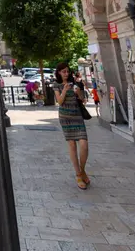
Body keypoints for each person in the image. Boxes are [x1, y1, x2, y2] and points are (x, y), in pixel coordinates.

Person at [54, 62, 90, 190]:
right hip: (65, 117)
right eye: (63, 71)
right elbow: (59, 101)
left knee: (84, 144)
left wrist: (79, 92)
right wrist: (64, 90)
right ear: (58, 72)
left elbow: (82, 100)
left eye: (67, 71)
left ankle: (83, 170)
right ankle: (78, 174)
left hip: (77, 116)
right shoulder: (56, 85)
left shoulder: (74, 83)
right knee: (72, 145)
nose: (66, 74)